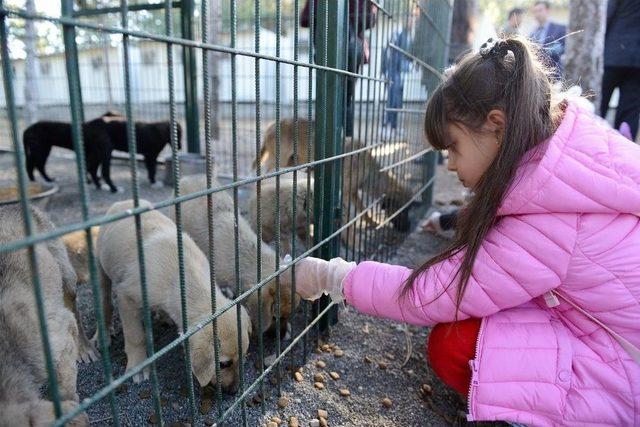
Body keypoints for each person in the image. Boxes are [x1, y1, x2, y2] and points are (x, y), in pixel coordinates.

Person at [293, 35, 640, 425]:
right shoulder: (569, 153)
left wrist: (332, 275)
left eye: (453, 148)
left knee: (453, 346)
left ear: (496, 126)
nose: (452, 166)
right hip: (601, 331)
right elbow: (508, 241)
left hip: (623, 376)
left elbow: (435, 293)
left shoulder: (550, 223)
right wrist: (448, 221)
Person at [301, 0, 377, 137]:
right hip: (351, 51)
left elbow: (304, 19)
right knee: (346, 101)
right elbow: (369, 21)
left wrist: (324, 16)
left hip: (327, 49)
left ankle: (325, 143)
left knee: (326, 99)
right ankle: (346, 144)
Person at [599, 0, 640, 141]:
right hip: (637, 63)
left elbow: (607, 16)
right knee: (630, 109)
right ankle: (624, 144)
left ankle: (596, 139)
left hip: (613, 55)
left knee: (600, 103)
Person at [381, 6, 418, 140]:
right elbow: (387, 52)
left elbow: (408, 56)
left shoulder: (409, 36)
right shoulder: (398, 34)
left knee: (398, 102)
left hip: (401, 74)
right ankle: (386, 127)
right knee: (391, 100)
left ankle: (394, 127)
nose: (412, 21)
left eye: (414, 19)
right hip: (392, 71)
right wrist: (384, 70)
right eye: (410, 18)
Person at [529, 1, 566, 77]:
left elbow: (563, 48)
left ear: (547, 10)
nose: (537, 14)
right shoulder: (532, 34)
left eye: (540, 10)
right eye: (535, 11)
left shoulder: (560, 29)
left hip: (554, 76)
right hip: (535, 77)